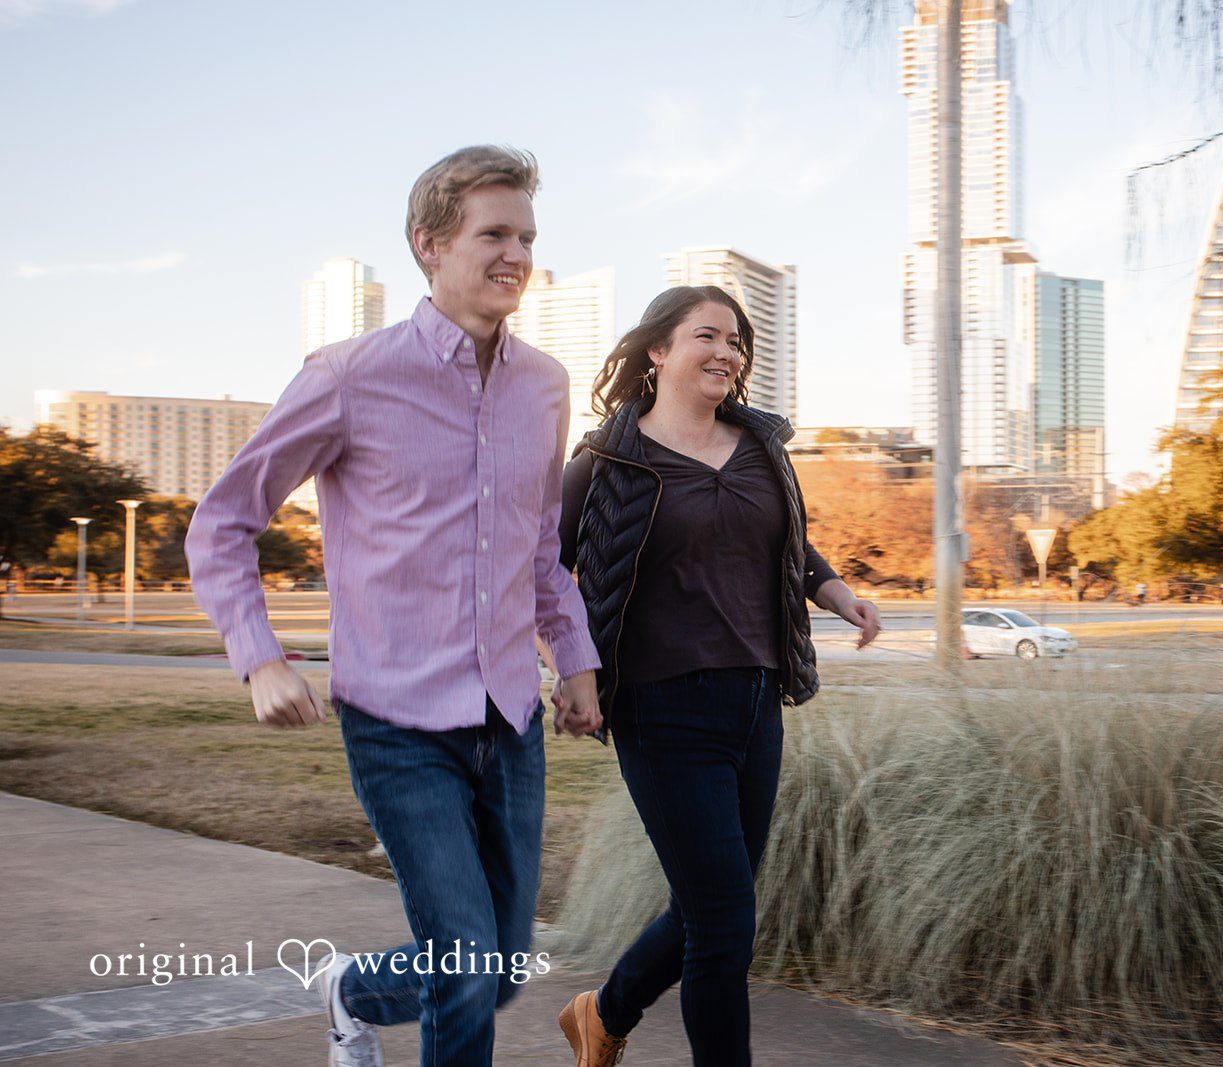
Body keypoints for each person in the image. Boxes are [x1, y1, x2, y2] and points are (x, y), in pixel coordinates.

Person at [185, 145, 601, 1067]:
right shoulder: (347, 375)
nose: (516, 255)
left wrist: (574, 659)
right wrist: (260, 658)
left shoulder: (545, 385)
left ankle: (350, 989)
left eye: (527, 238)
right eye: (494, 234)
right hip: (396, 721)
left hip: (510, 716)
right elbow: (222, 523)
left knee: (498, 969)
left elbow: (538, 545)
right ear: (429, 244)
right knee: (465, 962)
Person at [554, 286, 881, 1067]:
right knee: (726, 920)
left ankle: (603, 1013)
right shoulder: (605, 461)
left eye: (736, 341)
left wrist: (837, 593)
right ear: (658, 350)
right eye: (707, 335)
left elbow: (788, 541)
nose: (727, 353)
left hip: (756, 701)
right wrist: (572, 666)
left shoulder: (762, 447)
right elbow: (545, 570)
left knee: (707, 908)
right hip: (660, 707)